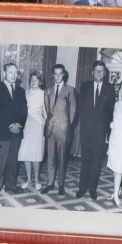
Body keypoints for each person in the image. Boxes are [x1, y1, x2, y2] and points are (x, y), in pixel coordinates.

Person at [0, 63, 28, 204]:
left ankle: (10, 186)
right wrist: (10, 125)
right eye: (10, 72)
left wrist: (19, 124)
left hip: (16, 132)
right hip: (0, 132)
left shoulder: (21, 91)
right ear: (4, 73)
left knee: (12, 161)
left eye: (16, 73)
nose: (14, 75)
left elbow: (23, 111)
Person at [75, 61, 116, 200]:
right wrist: (85, 122)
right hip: (86, 129)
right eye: (96, 70)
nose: (98, 73)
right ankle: (82, 188)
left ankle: (92, 189)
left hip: (100, 131)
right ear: (92, 72)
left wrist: (109, 133)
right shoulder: (85, 86)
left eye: (101, 71)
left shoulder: (110, 88)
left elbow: (111, 111)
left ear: (105, 73)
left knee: (96, 161)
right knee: (85, 159)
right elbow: (80, 107)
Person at [40, 64, 77, 197]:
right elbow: (47, 109)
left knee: (62, 159)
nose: (57, 76)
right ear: (53, 74)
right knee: (50, 158)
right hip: (50, 128)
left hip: (63, 129)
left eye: (60, 74)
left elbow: (73, 110)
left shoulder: (70, 90)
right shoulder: (48, 90)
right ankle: (50, 183)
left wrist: (67, 126)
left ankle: (61, 184)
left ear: (63, 75)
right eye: (55, 73)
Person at [18, 71, 47, 191]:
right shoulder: (26, 93)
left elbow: (45, 112)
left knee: (36, 153)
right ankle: (28, 179)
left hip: (38, 125)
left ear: (40, 81)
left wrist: (44, 126)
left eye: (36, 79)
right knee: (26, 153)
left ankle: (36, 180)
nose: (34, 82)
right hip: (26, 124)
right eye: (32, 79)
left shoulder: (43, 94)